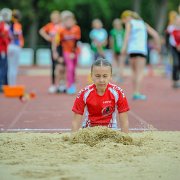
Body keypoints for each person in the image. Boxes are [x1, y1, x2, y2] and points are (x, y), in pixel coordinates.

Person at [72, 58, 129, 133]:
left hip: (111, 131)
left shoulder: (118, 92)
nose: (101, 80)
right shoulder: (84, 93)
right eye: (98, 76)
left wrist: (125, 140)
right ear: (91, 76)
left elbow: (124, 121)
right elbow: (75, 122)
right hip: (89, 131)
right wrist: (74, 139)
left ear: (110, 76)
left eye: (105, 76)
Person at [121, 10, 160, 100]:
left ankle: (135, 91)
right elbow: (155, 35)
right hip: (141, 50)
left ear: (128, 17)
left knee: (134, 72)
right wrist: (158, 45)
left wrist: (124, 48)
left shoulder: (129, 23)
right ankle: (137, 93)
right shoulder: (143, 24)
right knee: (139, 72)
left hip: (132, 50)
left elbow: (126, 36)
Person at [54, 10, 81, 94]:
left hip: (75, 51)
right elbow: (59, 44)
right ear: (64, 22)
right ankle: (70, 85)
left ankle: (72, 83)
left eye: (70, 21)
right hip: (66, 52)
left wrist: (73, 52)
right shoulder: (61, 31)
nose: (69, 22)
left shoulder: (76, 29)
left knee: (73, 69)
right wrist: (60, 55)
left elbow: (76, 41)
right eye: (67, 21)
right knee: (70, 68)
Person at [39, 10, 65, 93]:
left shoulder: (62, 26)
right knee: (53, 66)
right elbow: (41, 31)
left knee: (62, 66)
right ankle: (53, 84)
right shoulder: (49, 26)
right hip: (53, 47)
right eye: (53, 18)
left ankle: (62, 84)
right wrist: (47, 37)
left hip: (62, 48)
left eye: (56, 17)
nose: (55, 19)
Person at [7, 9, 24, 86]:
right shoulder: (16, 25)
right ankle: (12, 85)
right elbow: (16, 35)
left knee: (11, 67)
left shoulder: (9, 25)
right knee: (14, 67)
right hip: (15, 46)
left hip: (10, 46)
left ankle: (11, 84)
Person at [166, 12, 180, 88]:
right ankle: (175, 80)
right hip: (173, 47)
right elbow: (168, 37)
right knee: (175, 63)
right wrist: (176, 45)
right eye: (177, 20)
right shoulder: (171, 27)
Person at [109, 18, 126, 82]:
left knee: (120, 63)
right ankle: (118, 76)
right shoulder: (121, 31)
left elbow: (112, 41)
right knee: (117, 63)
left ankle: (119, 76)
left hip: (120, 49)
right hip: (117, 49)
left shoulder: (116, 31)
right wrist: (112, 49)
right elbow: (112, 41)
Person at [0, 8, 11, 92]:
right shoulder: (2, 25)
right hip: (2, 49)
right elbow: (4, 37)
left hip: (5, 49)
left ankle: (6, 83)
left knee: (5, 67)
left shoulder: (5, 25)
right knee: (3, 67)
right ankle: (1, 85)